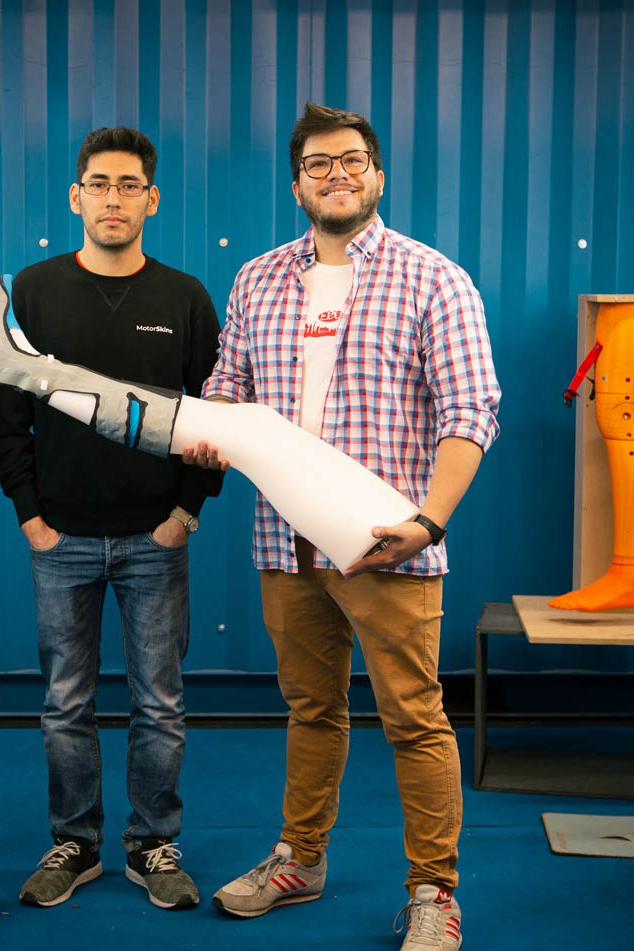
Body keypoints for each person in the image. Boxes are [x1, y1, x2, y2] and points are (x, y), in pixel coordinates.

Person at [192, 103, 500, 951]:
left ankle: (433, 890)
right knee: (310, 708)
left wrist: (427, 520)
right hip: (283, 543)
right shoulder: (257, 278)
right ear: (296, 184)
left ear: (377, 175)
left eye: (351, 160)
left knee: (415, 718)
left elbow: (471, 410)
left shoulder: (432, 278)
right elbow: (225, 387)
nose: (336, 175)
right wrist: (210, 429)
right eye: (318, 164)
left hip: (388, 543)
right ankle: (300, 858)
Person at [0, 126, 222, 911]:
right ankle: (76, 842)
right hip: (59, 539)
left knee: (159, 702)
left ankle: (152, 842)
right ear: (75, 196)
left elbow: (215, 413)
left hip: (155, 539)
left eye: (129, 185)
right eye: (99, 183)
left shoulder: (185, 298)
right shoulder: (32, 291)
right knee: (66, 702)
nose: (113, 198)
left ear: (151, 199)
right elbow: (7, 415)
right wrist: (30, 517)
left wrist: (185, 512)